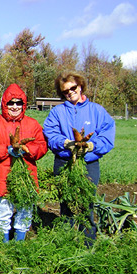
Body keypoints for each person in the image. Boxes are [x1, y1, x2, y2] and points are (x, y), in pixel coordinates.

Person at [43, 71, 115, 244]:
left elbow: (107, 133)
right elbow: (49, 133)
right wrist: (65, 143)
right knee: (66, 203)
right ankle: (65, 242)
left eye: (73, 88)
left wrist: (91, 146)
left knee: (86, 204)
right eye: (65, 91)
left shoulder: (96, 110)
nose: (70, 92)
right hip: (64, 162)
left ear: (80, 86)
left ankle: (88, 244)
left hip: (88, 163)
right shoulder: (57, 112)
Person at [0, 84, 47, 242]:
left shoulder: (32, 124)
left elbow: (42, 145)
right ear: (5, 104)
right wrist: (6, 150)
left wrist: (26, 149)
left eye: (19, 103)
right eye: (11, 103)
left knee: (25, 211)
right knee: (3, 211)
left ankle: (19, 244)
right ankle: (3, 245)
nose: (15, 106)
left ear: (24, 105)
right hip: (2, 175)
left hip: (25, 177)